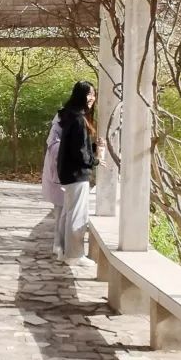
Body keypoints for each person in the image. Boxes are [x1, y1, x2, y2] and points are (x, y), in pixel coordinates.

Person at [56, 80, 103, 264]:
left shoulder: (71, 116)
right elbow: (80, 152)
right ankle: (74, 255)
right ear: (80, 95)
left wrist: (93, 148)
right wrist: (95, 160)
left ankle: (62, 251)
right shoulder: (78, 119)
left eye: (93, 94)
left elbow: (78, 146)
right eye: (88, 94)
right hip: (76, 173)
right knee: (77, 215)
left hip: (68, 172)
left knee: (68, 213)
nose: (92, 98)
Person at [41, 110, 67, 257]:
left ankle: (63, 245)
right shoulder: (58, 125)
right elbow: (53, 146)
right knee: (60, 211)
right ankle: (59, 245)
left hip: (69, 172)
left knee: (66, 212)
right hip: (59, 172)